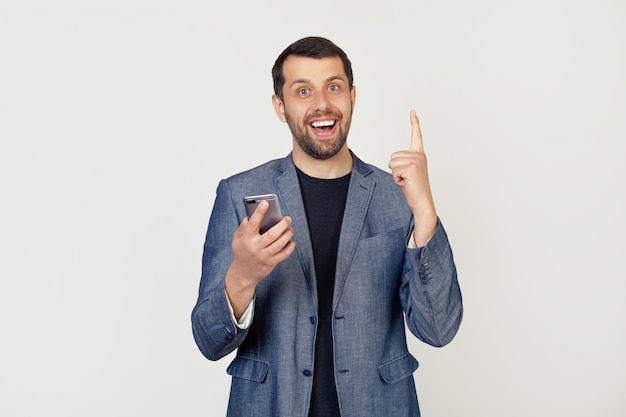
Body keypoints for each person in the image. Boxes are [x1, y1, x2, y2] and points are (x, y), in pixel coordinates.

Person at [191, 36, 463, 417]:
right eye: (303, 90)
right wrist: (242, 277)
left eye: (333, 87)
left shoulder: (398, 196)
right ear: (280, 106)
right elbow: (208, 340)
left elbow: (438, 329)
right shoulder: (240, 195)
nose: (322, 104)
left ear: (352, 96)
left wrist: (424, 212)